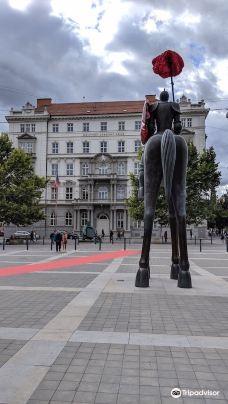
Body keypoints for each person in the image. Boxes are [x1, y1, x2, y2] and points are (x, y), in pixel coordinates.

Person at [138, 90, 182, 199]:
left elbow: (152, 127)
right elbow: (177, 127)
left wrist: (151, 136)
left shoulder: (154, 106)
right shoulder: (174, 105)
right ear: (167, 98)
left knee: (142, 166)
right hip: (172, 134)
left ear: (160, 98)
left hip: (158, 134)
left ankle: (141, 188)